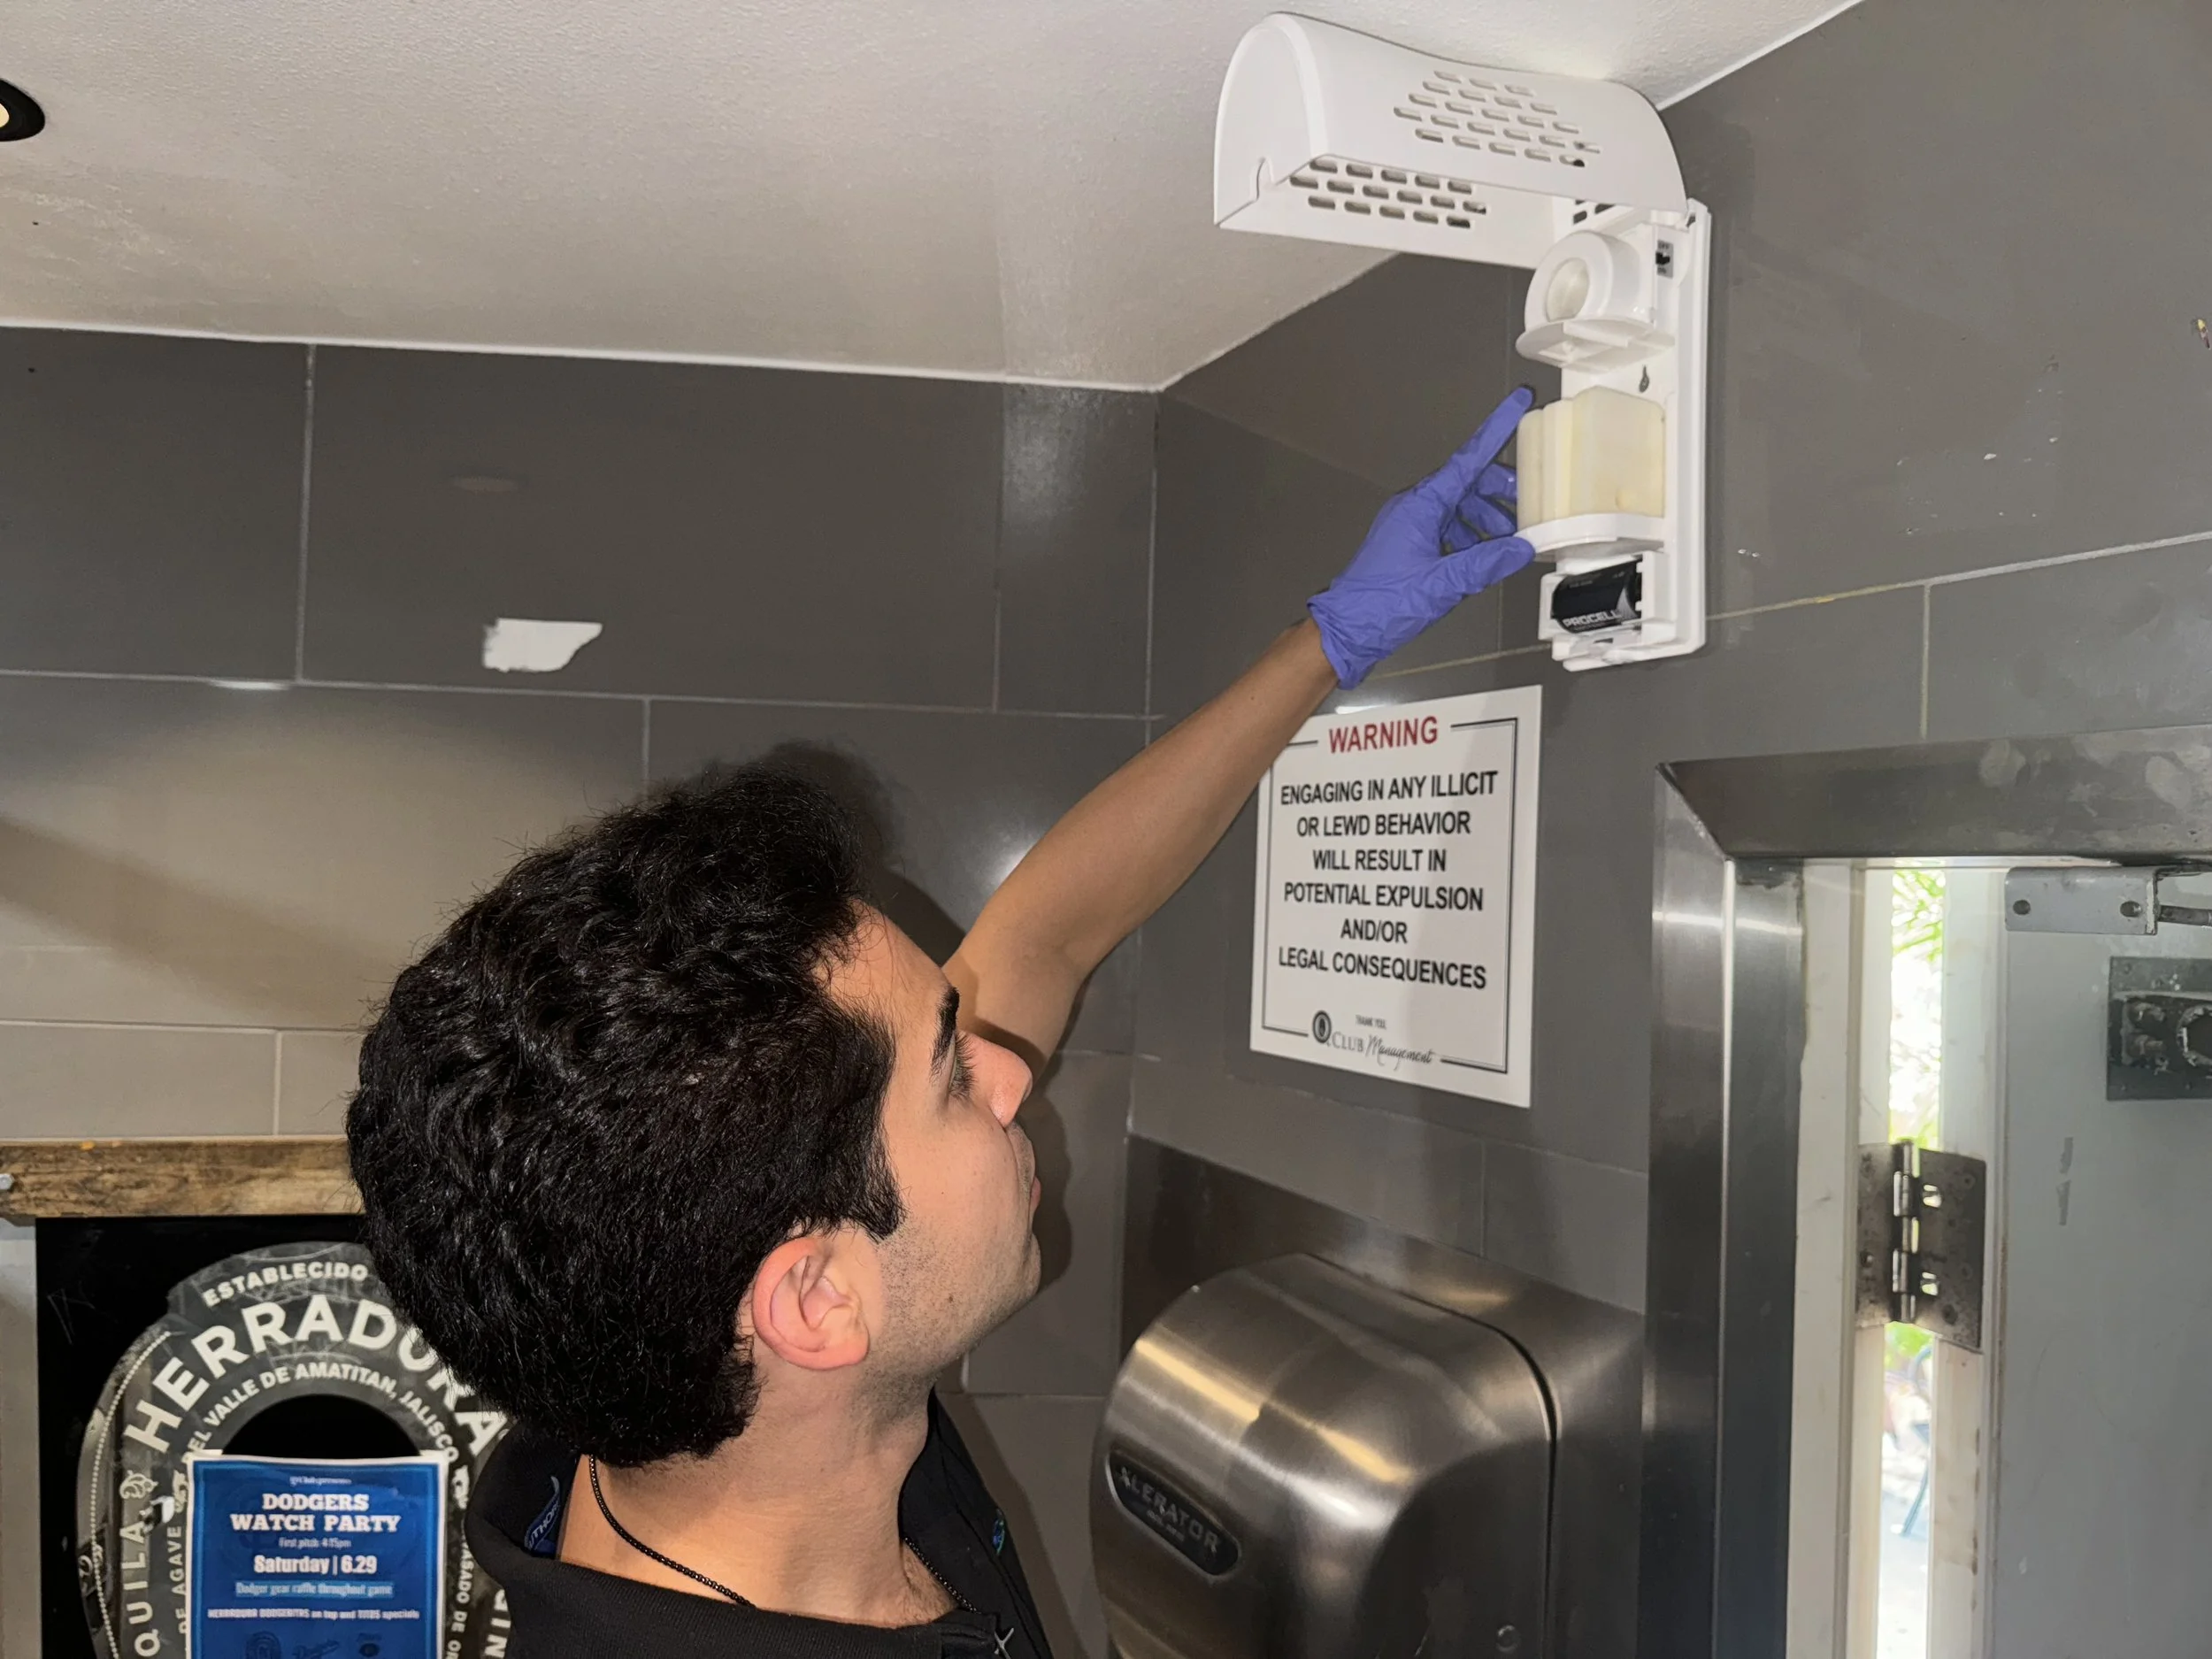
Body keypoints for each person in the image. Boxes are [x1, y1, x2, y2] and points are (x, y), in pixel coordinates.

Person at [344, 388, 1535, 1657]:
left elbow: (1047, 934)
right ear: (814, 1300)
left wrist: (1330, 643)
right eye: (954, 1079)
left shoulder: (689, 1396)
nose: (1013, 1075)